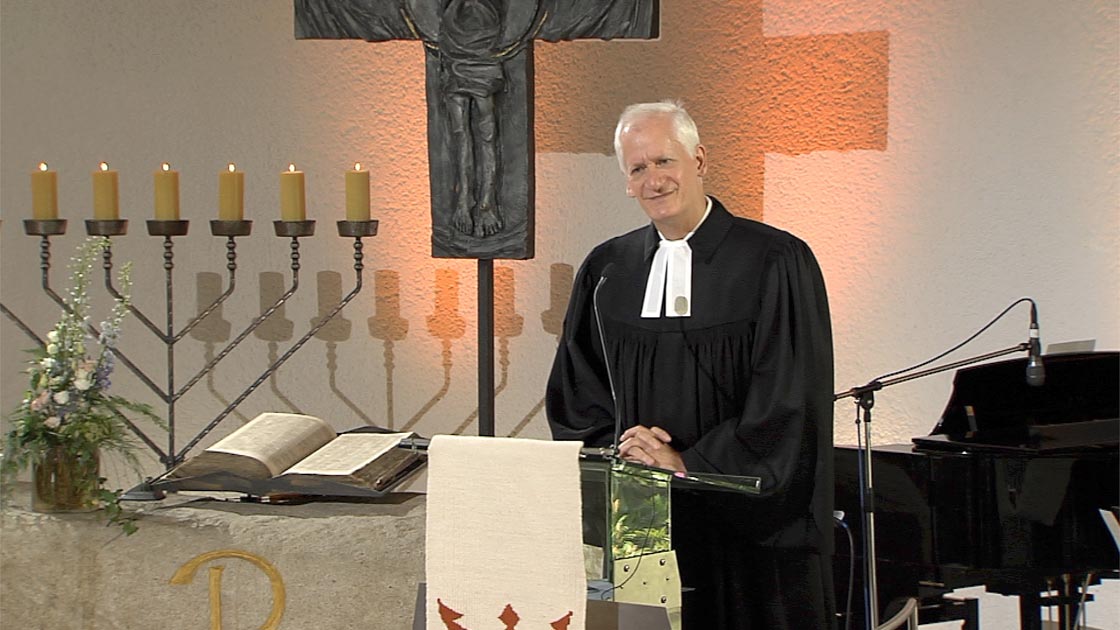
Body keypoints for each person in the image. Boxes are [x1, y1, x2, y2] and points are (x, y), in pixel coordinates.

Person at [546, 100, 836, 630]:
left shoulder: (774, 259)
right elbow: (578, 385)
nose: (653, 180)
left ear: (698, 160)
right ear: (626, 182)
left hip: (745, 522)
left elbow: (789, 395)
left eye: (664, 161)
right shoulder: (608, 270)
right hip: (640, 513)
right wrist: (629, 454)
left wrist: (687, 464)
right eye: (638, 168)